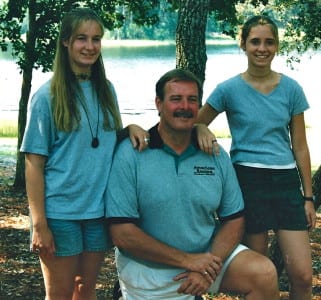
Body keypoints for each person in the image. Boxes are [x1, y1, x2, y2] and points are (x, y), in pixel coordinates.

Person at [105, 68, 280, 300]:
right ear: (159, 104)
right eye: (176, 99)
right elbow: (122, 234)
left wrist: (208, 267)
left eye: (192, 100)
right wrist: (189, 261)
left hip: (206, 258)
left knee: (263, 274)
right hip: (148, 273)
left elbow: (234, 219)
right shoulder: (132, 152)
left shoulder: (214, 154)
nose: (184, 107)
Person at [20, 7, 149, 300]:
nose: (90, 46)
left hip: (98, 212)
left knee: (85, 290)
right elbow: (33, 164)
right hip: (59, 214)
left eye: (96, 39)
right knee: (60, 294)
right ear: (66, 42)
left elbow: (102, 141)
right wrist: (39, 225)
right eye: (81, 38)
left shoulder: (107, 91)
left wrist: (129, 127)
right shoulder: (47, 96)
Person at [196, 15, 316, 300]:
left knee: (302, 275)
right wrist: (203, 131)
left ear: (276, 46)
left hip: (286, 183)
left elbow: (300, 145)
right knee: (260, 272)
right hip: (247, 182)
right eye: (255, 42)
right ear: (244, 45)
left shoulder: (292, 89)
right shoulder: (228, 89)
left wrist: (308, 197)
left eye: (269, 42)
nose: (262, 48)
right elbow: (197, 122)